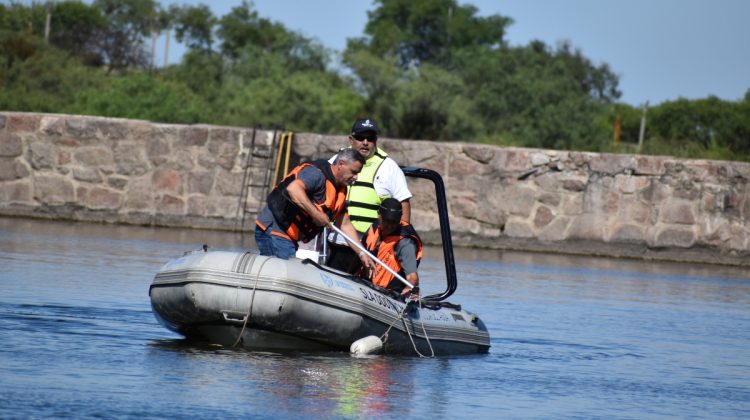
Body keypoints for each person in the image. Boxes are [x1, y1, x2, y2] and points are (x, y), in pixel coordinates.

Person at [255, 148, 375, 273]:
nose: (355, 177)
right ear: (341, 164)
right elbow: (293, 189)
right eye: (353, 172)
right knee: (284, 274)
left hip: (289, 236)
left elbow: (345, 224)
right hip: (274, 229)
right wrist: (317, 215)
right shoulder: (316, 174)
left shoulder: (340, 190)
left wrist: (362, 254)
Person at [326, 118, 412, 273]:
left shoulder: (389, 168)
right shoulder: (337, 161)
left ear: (376, 140)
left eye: (370, 138)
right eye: (360, 137)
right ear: (351, 140)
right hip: (337, 241)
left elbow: (403, 204)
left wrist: (400, 242)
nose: (365, 142)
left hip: (370, 247)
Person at [361, 198, 423, 297]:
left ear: (400, 219)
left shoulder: (406, 243)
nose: (389, 226)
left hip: (390, 294)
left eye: (394, 222)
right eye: (386, 221)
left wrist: (410, 286)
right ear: (379, 214)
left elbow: (412, 276)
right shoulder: (373, 229)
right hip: (365, 286)